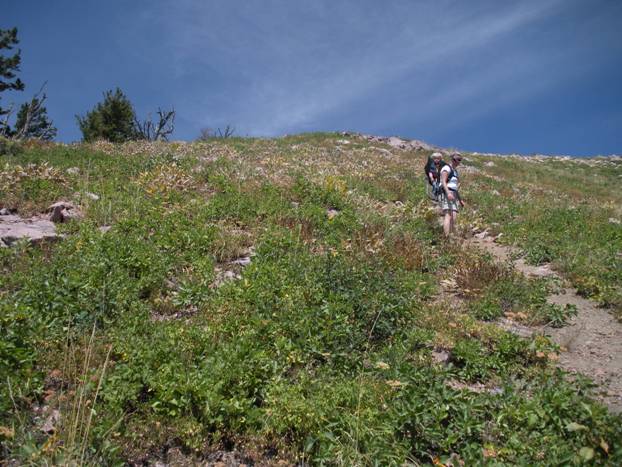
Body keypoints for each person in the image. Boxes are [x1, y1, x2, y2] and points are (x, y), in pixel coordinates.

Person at [439, 152, 465, 236]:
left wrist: (460, 200)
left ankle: (450, 235)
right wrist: (448, 193)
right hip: (446, 192)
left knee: (454, 215)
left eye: (459, 160)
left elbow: (455, 187)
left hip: (453, 193)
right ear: (452, 159)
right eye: (455, 159)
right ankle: (447, 237)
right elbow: (443, 181)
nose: (457, 161)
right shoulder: (446, 168)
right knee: (448, 214)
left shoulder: (455, 171)